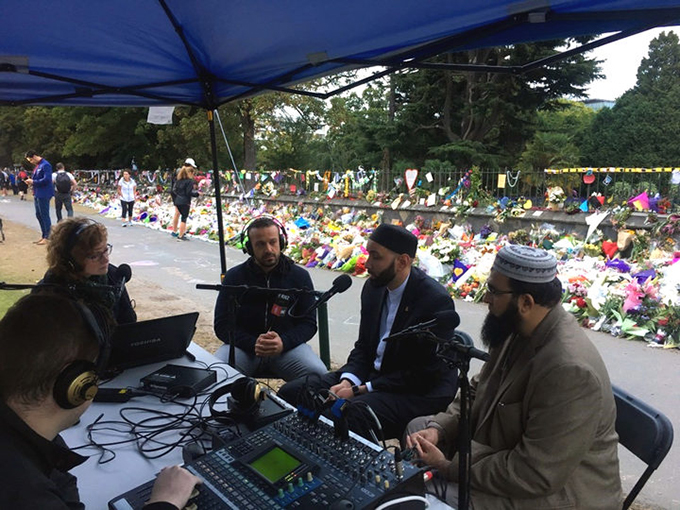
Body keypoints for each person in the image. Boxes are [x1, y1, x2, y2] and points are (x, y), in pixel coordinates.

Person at [405, 244, 622, 509]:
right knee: (418, 430)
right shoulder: (515, 329)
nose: (486, 299)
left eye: (494, 291)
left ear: (526, 302)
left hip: (553, 496)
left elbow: (534, 473)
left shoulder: (569, 370)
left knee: (427, 493)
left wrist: (448, 467)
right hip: (501, 456)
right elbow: (476, 391)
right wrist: (438, 429)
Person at [0, 293, 201, 509]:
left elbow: (60, 484)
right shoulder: (26, 493)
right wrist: (166, 500)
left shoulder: (26, 443)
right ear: (76, 385)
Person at [278, 224, 459, 440]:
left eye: (376, 257)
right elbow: (364, 347)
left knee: (344, 415)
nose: (368, 263)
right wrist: (348, 381)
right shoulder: (374, 287)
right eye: (367, 254)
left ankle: (331, 468)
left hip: (417, 391)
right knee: (291, 394)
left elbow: (424, 373)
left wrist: (360, 390)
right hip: (375, 377)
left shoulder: (433, 300)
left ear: (402, 261)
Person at [214, 216, 327, 381]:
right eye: (260, 244)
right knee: (216, 373)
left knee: (318, 375)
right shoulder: (234, 277)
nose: (268, 249)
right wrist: (253, 343)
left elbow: (309, 324)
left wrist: (283, 342)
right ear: (249, 248)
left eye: (273, 242)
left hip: (287, 349)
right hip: (243, 349)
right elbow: (222, 325)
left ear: (281, 242)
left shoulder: (299, 276)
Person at [39, 217, 137, 325]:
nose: (105, 259)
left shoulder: (113, 275)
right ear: (70, 261)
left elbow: (129, 323)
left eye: (105, 250)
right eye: (95, 256)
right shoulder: (50, 292)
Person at [25, 149, 54, 245]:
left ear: (34, 156)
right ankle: (44, 235)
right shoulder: (38, 166)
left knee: (44, 214)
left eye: (30, 160)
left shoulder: (46, 165)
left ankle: (48, 236)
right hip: (37, 192)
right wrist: (31, 181)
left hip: (44, 193)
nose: (31, 162)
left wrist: (33, 182)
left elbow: (47, 179)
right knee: (38, 214)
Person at [170, 158, 199, 241]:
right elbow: (186, 190)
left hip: (177, 194)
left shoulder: (180, 171)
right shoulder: (183, 173)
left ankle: (178, 230)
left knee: (178, 213)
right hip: (180, 196)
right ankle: (177, 231)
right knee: (179, 214)